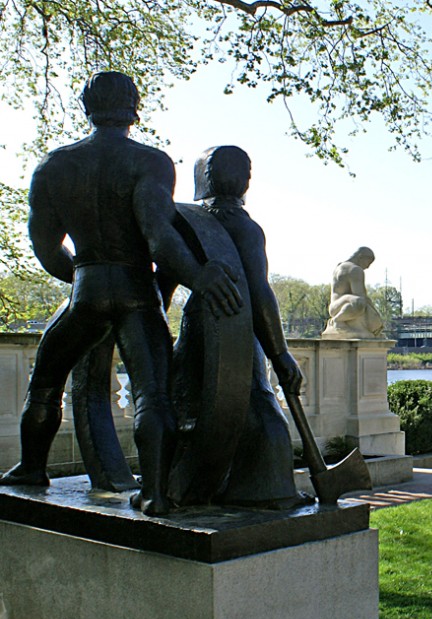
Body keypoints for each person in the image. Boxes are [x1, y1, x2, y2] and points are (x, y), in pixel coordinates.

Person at [0, 72, 242, 516]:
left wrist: (81, 276)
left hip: (87, 291)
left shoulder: (53, 166)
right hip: (135, 292)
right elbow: (157, 236)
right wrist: (198, 276)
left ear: (88, 107)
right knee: (153, 394)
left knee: (45, 386)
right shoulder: (150, 162)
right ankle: (154, 493)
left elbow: (44, 245)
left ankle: (31, 469)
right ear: (134, 108)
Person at [168, 145, 308, 508]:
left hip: (197, 328)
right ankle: (270, 491)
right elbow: (260, 293)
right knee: (262, 414)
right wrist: (280, 355)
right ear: (245, 181)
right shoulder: (246, 228)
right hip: (238, 329)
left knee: (189, 407)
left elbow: (160, 288)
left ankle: (185, 486)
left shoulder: (181, 222)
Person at [323, 247, 385, 337]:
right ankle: (338, 321)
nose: (367, 267)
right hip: (345, 307)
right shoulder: (355, 270)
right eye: (368, 263)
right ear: (361, 257)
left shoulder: (339, 267)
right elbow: (361, 296)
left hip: (334, 307)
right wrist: (376, 317)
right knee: (359, 302)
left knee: (359, 302)